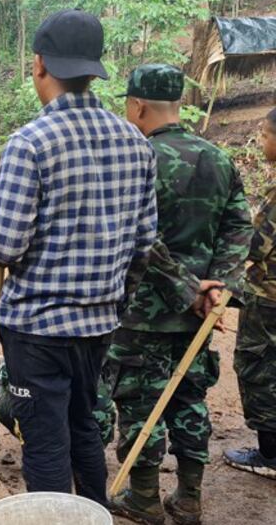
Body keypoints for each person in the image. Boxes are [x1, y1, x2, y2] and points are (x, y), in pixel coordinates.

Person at [0, 10, 159, 506]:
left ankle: (54, 518)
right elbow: (145, 242)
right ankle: (94, 513)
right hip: (99, 324)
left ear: (39, 64)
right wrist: (112, 296)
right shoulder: (136, 143)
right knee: (84, 424)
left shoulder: (29, 144)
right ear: (93, 68)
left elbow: (3, 247)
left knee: (45, 441)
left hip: (37, 329)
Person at [106, 64, 253, 524]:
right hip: (198, 314)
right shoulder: (218, 158)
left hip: (144, 312)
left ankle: (145, 498)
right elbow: (238, 225)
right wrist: (219, 287)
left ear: (137, 105)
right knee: (189, 398)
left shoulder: (137, 159)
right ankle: (189, 498)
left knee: (139, 401)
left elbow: (140, 238)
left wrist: (189, 290)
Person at [224, 107, 276, 480]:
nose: (261, 141)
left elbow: (256, 246)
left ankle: (269, 453)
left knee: (258, 367)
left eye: (265, 134)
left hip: (268, 298)